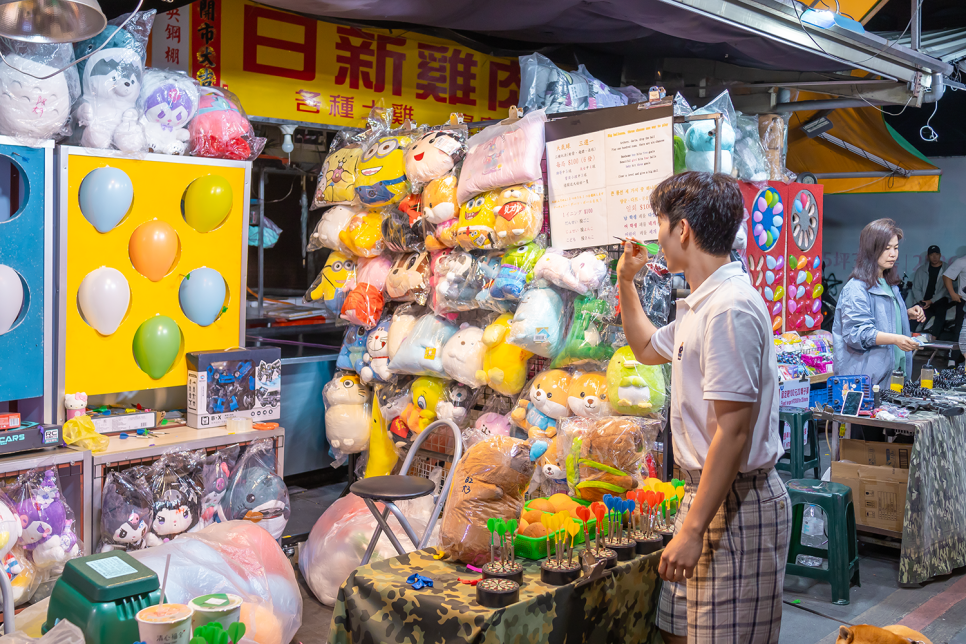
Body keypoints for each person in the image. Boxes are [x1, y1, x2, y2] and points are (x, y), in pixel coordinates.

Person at [618, 172, 789, 644]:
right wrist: (625, 281)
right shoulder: (701, 304)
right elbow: (646, 347)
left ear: (683, 231)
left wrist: (693, 531)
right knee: (680, 635)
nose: (656, 234)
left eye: (660, 222)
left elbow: (733, 433)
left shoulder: (729, 308)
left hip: (736, 502)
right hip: (704, 496)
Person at [832, 219, 925, 390]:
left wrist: (904, 312)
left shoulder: (890, 285)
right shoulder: (856, 288)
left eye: (896, 248)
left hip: (896, 377)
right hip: (867, 383)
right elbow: (857, 333)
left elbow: (884, 318)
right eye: (886, 248)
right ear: (871, 249)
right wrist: (896, 339)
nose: (893, 254)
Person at [906, 245, 949, 335]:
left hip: (938, 300)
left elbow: (946, 289)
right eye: (932, 255)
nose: (934, 257)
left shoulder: (947, 269)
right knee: (915, 314)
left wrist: (931, 301)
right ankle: (908, 335)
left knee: (941, 309)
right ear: (928, 256)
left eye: (936, 254)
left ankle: (934, 338)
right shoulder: (921, 270)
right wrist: (922, 302)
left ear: (940, 255)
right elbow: (916, 288)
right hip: (924, 301)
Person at [941, 253, 966, 349]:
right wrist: (952, 293)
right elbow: (947, 276)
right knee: (960, 330)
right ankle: (952, 359)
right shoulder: (962, 261)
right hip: (964, 301)